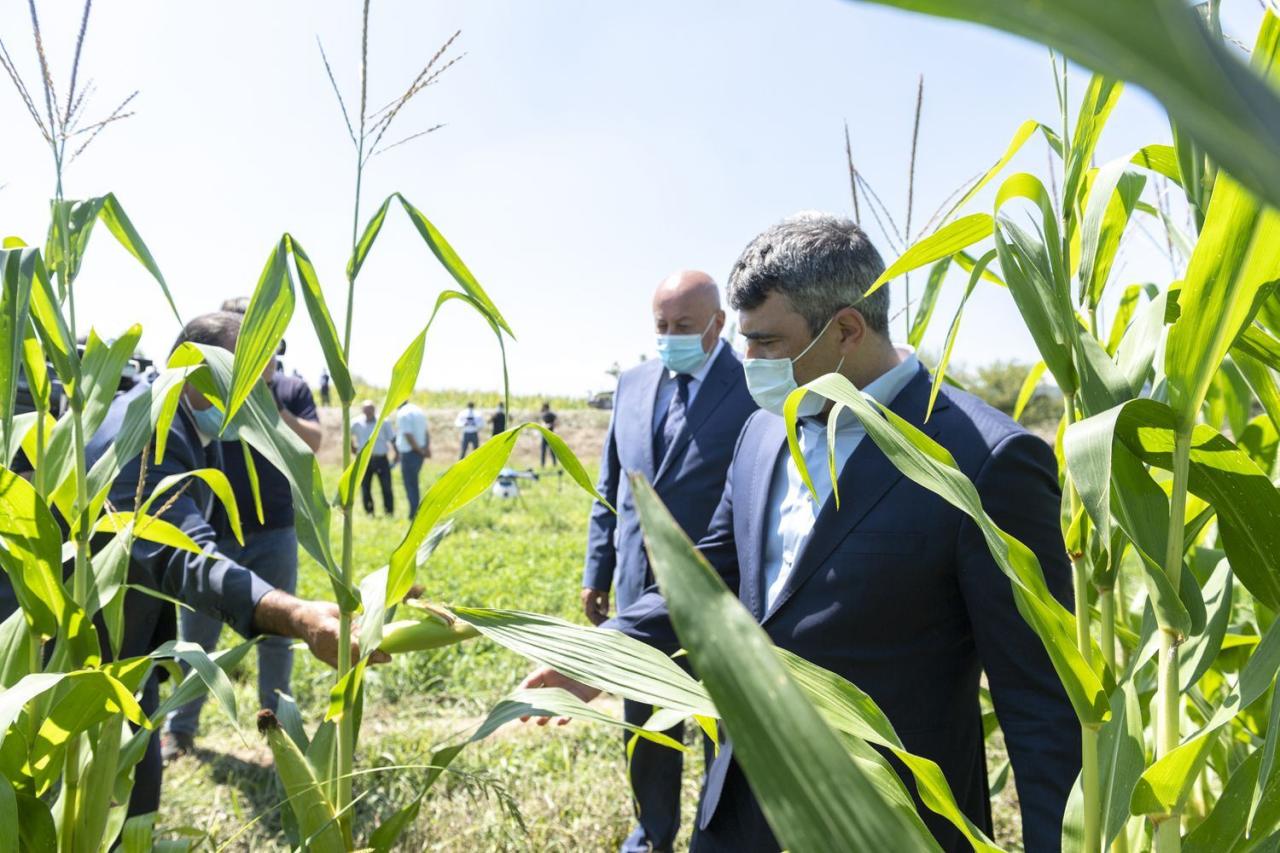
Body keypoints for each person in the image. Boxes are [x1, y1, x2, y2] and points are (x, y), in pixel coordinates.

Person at [522, 214, 1079, 853]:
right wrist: (605, 654)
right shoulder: (763, 431)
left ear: (846, 329)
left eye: (766, 343)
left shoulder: (984, 460)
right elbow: (717, 572)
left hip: (886, 822)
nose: (748, 361)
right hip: (741, 809)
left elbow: (1039, 703)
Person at [0, 311, 377, 817]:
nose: (257, 402)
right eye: (244, 383)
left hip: (117, 642)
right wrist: (297, 617)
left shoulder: (182, 423)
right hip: (69, 650)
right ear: (194, 367)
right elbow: (183, 553)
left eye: (263, 387)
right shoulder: (148, 430)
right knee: (59, 801)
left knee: (137, 784)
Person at [580, 269, 757, 853]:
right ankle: (651, 833)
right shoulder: (632, 385)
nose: (670, 335)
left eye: (683, 326)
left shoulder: (753, 386)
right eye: (661, 326)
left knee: (720, 726)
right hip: (637, 587)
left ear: (717, 325)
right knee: (645, 725)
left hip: (717, 594)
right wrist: (597, 571)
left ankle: (715, 835)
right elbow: (611, 488)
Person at [161, 300, 325, 762]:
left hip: (273, 528)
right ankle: (180, 729)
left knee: (279, 636)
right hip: (209, 532)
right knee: (198, 640)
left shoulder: (288, 389)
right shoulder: (204, 396)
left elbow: (312, 442)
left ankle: (277, 725)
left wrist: (269, 405)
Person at [352, 400, 397, 516]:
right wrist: (353, 448)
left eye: (370, 409)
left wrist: (397, 453)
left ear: (374, 409)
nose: (368, 411)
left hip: (381, 458)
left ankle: (389, 512)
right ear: (362, 410)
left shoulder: (384, 422)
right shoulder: (356, 423)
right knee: (365, 487)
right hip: (364, 461)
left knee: (386, 487)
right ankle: (369, 512)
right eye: (366, 409)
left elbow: (392, 439)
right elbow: (347, 436)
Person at [395, 399, 431, 517]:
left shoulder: (403, 413)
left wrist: (420, 450)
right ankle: (416, 511)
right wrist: (426, 449)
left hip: (411, 452)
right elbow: (426, 432)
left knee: (410, 485)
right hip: (419, 452)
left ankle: (414, 513)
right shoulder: (418, 410)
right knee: (414, 483)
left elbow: (408, 435)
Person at [538, 402, 559, 467]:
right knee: (549, 451)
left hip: (547, 435)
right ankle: (551, 464)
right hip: (548, 435)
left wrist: (549, 425)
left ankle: (543, 465)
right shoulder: (549, 414)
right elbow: (556, 421)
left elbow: (555, 422)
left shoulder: (548, 414)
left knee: (546, 451)